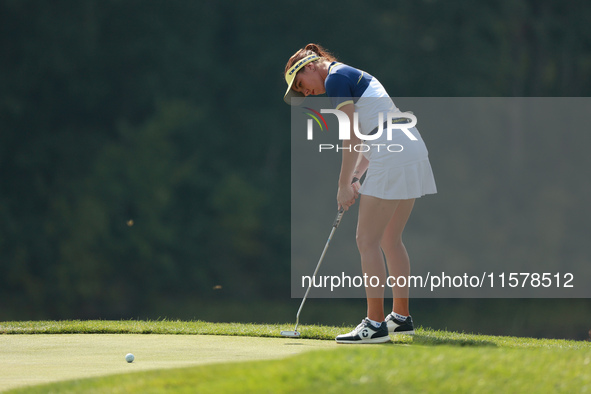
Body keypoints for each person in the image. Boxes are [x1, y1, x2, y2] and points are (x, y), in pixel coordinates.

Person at [283, 43, 437, 344]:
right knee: (390, 239)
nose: (306, 93)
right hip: (409, 145)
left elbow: (352, 135)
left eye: (302, 85)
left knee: (366, 240)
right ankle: (401, 318)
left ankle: (374, 324)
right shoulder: (349, 75)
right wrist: (355, 177)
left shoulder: (336, 78)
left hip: (393, 151)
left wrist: (342, 186)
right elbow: (374, 130)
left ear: (312, 66)